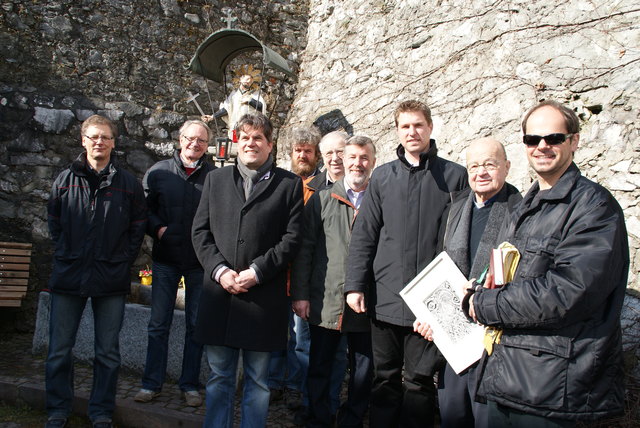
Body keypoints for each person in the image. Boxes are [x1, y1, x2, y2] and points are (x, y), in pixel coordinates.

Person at [467, 101, 629, 427]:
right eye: (532, 139)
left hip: (552, 389)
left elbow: (566, 293)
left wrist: (482, 304)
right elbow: (511, 274)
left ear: (574, 141)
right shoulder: (526, 207)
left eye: (553, 138)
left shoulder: (594, 207)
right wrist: (483, 287)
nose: (542, 146)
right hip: (508, 376)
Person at [344, 100, 468, 428]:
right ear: (397, 131)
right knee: (384, 378)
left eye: (418, 125)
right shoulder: (383, 176)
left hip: (431, 302)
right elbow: (365, 235)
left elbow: (460, 241)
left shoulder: (455, 177)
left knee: (419, 381)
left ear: (430, 127)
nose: (412, 132)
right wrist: (355, 285)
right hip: (385, 296)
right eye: (405, 126)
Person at [191, 113, 303, 428]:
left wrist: (257, 271)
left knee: (258, 381)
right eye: (245, 137)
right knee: (219, 376)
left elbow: (292, 239)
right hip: (220, 296)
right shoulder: (215, 180)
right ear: (236, 142)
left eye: (258, 138)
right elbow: (200, 232)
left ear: (270, 144)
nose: (250, 143)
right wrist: (219, 270)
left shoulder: (289, 185)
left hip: (262, 299)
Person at [45, 114, 147, 428]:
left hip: (110, 276)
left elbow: (137, 227)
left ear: (113, 142)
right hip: (70, 273)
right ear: (83, 140)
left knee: (107, 353)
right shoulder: (65, 180)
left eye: (104, 137)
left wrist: (122, 259)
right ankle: (58, 409)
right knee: (59, 350)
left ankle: (101, 412)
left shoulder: (128, 184)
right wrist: (68, 253)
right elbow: (54, 223)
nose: (98, 142)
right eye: (93, 136)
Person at [413, 137, 522, 428]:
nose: (481, 172)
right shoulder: (456, 207)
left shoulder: (520, 212)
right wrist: (429, 316)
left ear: (507, 167)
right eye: (474, 166)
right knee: (453, 415)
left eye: (490, 164)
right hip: (454, 341)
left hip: (495, 342)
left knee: (487, 420)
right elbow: (439, 265)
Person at [292, 135, 377, 428]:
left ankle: (352, 419)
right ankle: (319, 419)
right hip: (326, 298)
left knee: (363, 369)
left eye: (363, 158)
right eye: (352, 157)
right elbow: (304, 250)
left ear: (373, 162)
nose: (357, 164)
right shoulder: (322, 199)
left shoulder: (381, 199)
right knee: (320, 365)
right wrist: (300, 294)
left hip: (367, 301)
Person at [134, 120, 216, 407]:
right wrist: (159, 230)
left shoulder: (215, 177)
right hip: (166, 259)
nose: (195, 144)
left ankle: (189, 385)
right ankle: (151, 384)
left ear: (207, 145)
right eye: (190, 138)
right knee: (158, 324)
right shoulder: (159, 172)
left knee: (195, 326)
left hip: (199, 262)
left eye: (201, 140)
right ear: (180, 140)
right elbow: (143, 210)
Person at [212, 73, 266, 138]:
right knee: (235, 142)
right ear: (241, 79)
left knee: (246, 140)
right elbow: (227, 109)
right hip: (236, 126)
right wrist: (213, 116)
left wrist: (250, 100)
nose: (249, 81)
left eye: (251, 81)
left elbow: (262, 107)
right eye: (247, 79)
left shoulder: (254, 95)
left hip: (248, 126)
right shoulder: (234, 95)